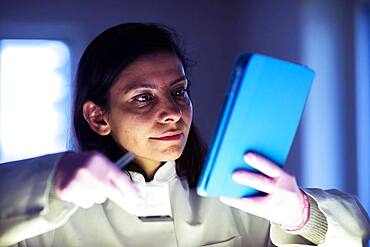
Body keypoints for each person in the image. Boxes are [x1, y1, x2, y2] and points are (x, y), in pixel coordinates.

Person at [0, 23, 369, 247]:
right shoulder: (46, 218)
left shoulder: (243, 199)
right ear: (98, 117)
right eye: (143, 98)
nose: (174, 113)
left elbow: (356, 233)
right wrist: (51, 183)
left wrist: (304, 215)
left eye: (179, 91)